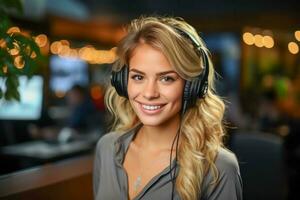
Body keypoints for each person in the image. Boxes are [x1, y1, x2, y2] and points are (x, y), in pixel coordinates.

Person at [93, 16, 243, 200]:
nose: (149, 93)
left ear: (192, 87)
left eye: (166, 78)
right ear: (123, 82)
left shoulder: (219, 168)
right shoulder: (107, 148)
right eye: (138, 77)